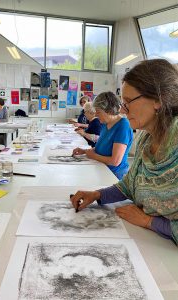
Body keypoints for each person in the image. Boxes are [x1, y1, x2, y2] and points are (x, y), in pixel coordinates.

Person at [71, 59, 178, 245]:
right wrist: (97, 195)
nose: (121, 109)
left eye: (128, 101)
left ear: (158, 100)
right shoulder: (146, 139)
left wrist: (149, 221)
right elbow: (129, 186)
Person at [73, 91, 133, 179]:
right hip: (101, 169)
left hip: (113, 175)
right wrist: (84, 151)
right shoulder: (105, 123)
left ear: (108, 110)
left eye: (98, 111)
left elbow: (115, 161)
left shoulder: (123, 125)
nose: (96, 115)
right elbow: (102, 148)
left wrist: (93, 156)